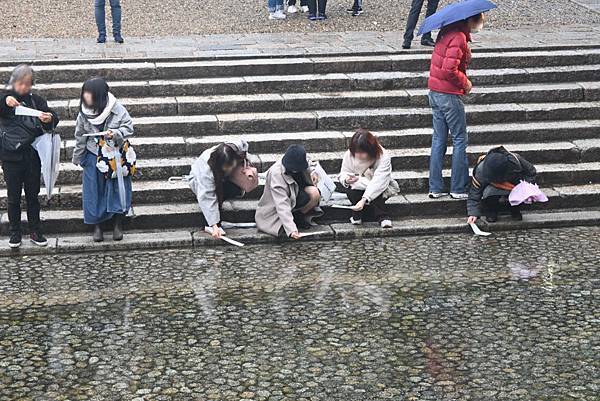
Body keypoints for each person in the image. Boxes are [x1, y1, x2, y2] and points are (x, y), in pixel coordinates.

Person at [0, 65, 59, 248]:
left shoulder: (36, 101)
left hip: (32, 156)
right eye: (20, 83)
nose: (23, 88)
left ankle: (35, 231)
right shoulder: (5, 98)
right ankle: (15, 232)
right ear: (13, 83)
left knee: (33, 196)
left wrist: (50, 118)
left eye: (27, 84)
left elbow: (52, 118)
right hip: (10, 157)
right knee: (13, 197)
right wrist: (6, 101)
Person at [427, 13, 485, 200]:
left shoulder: (446, 32)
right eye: (479, 20)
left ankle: (435, 187)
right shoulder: (458, 37)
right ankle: (458, 188)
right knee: (460, 139)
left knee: (439, 139)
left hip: (435, 92)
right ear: (469, 20)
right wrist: (465, 83)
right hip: (449, 95)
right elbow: (449, 69)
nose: (480, 24)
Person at [72, 77, 134, 242]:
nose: (85, 96)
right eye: (84, 93)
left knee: (117, 187)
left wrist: (116, 133)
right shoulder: (84, 113)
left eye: (89, 93)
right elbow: (80, 137)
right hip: (93, 153)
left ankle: (118, 223)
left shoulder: (116, 108)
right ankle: (97, 225)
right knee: (93, 190)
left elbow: (129, 127)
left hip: (115, 154)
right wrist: (78, 158)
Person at [187, 140, 250, 239]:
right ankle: (211, 218)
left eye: (230, 165)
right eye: (227, 167)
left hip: (223, 178)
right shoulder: (206, 169)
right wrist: (214, 226)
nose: (229, 168)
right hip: (198, 181)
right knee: (213, 194)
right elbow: (207, 195)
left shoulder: (235, 148)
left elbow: (244, 144)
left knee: (236, 189)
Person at [255, 145, 322, 239]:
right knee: (287, 207)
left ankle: (299, 216)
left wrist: (313, 173)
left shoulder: (302, 159)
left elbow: (311, 163)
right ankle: (292, 221)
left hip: (296, 192)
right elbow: (281, 204)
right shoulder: (276, 173)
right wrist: (291, 230)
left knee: (315, 193)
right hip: (278, 206)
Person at [338, 129, 399, 229]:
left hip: (377, 185)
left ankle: (382, 216)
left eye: (362, 152)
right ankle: (357, 213)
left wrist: (364, 199)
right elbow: (343, 172)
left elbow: (379, 181)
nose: (358, 155)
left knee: (377, 188)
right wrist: (346, 179)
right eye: (356, 152)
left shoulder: (383, 156)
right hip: (358, 184)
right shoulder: (349, 154)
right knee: (354, 186)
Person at [467, 146, 537, 224]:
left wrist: (525, 187)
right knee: (488, 192)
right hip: (492, 188)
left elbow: (531, 172)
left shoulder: (517, 161)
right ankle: (491, 210)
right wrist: (473, 213)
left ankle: (515, 209)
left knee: (520, 189)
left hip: (513, 184)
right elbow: (475, 192)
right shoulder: (481, 170)